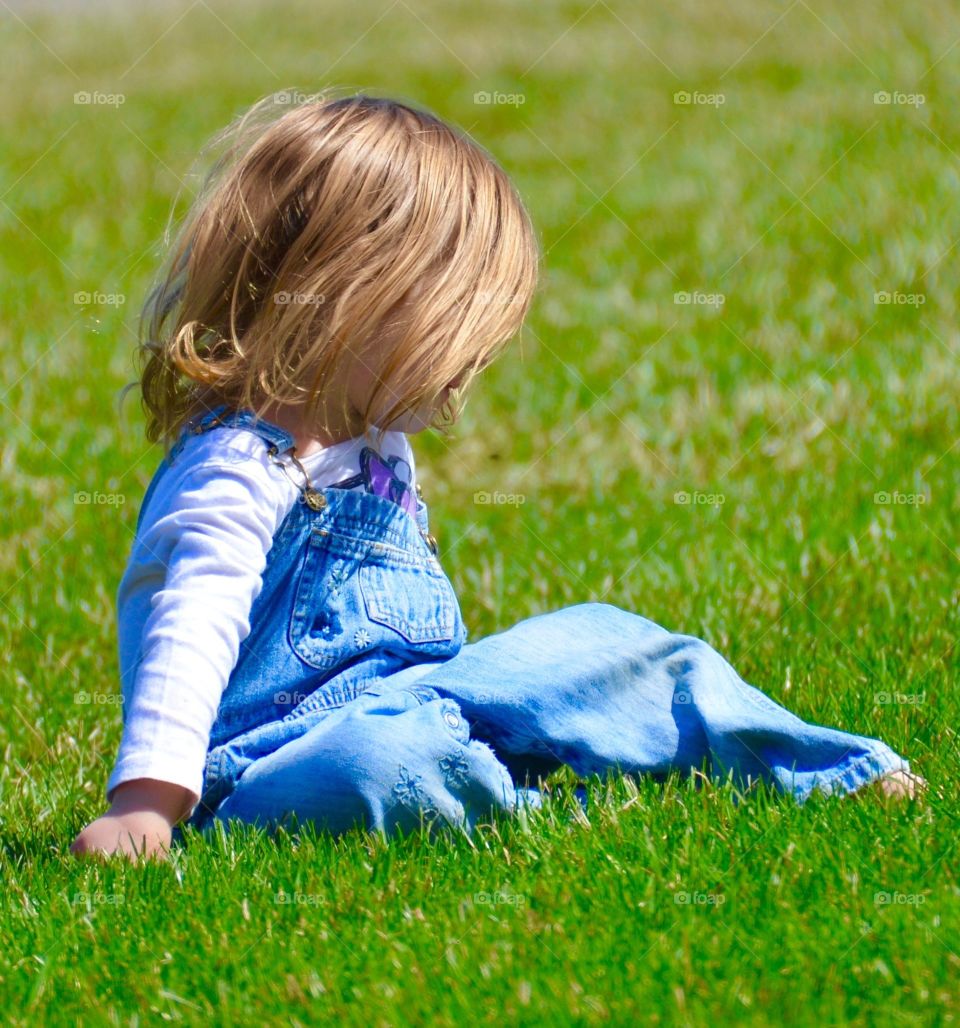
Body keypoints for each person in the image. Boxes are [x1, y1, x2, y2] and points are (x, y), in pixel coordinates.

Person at [70, 90, 923, 863]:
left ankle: (822, 767)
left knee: (605, 644)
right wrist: (147, 803)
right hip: (271, 768)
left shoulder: (373, 445)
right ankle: (525, 789)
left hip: (422, 699)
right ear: (351, 297)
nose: (467, 369)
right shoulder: (240, 468)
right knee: (381, 760)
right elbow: (192, 622)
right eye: (453, 334)